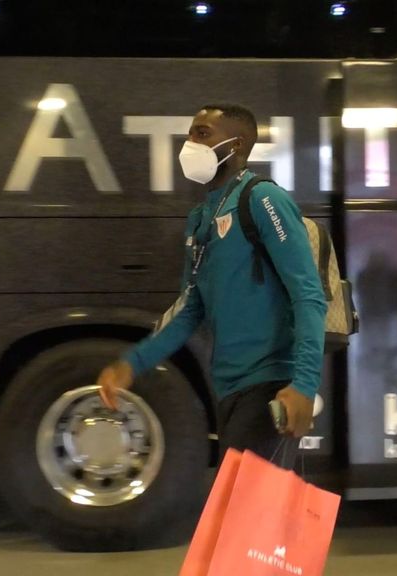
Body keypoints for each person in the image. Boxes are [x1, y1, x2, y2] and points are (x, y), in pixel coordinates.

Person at [97, 103, 327, 463]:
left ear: (235, 146)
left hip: (268, 386)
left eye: (202, 134)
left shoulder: (264, 199)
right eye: (190, 133)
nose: (190, 142)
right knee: (255, 514)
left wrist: (304, 384)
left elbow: (309, 295)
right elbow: (191, 309)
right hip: (228, 388)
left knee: (244, 512)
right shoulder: (201, 217)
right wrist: (132, 364)